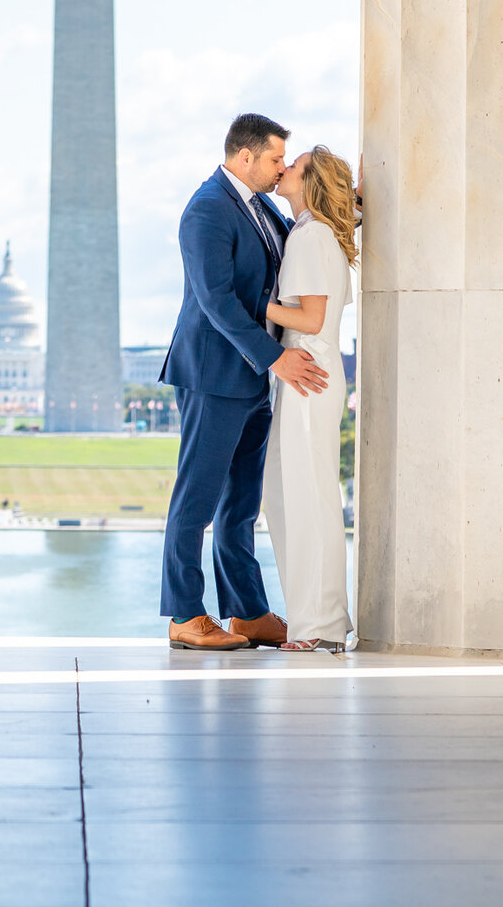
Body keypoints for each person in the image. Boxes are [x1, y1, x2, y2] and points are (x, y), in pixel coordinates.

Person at [158, 113, 331, 650]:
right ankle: (186, 616)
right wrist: (274, 360)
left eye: (286, 162)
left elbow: (307, 238)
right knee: (197, 501)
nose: (282, 170)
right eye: (277, 159)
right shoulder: (207, 210)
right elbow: (217, 302)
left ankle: (248, 612)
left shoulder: (260, 210)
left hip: (253, 380)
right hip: (215, 376)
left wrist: (355, 199)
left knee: (240, 504)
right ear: (245, 157)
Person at [260, 146, 359, 652]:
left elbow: (312, 319)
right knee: (296, 498)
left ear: (310, 181)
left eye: (292, 165)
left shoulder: (311, 236)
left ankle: (314, 627)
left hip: (306, 378)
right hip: (307, 378)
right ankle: (321, 621)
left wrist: (257, 305)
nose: (283, 170)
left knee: (304, 501)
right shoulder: (315, 234)